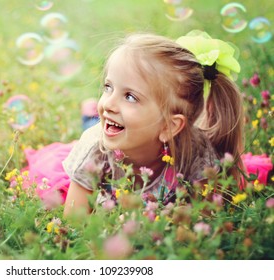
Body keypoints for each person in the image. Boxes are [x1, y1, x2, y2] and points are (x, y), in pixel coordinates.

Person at [62, 31, 245, 217]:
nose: (108, 103)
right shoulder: (93, 151)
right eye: (108, 87)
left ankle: (89, 113)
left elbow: (205, 218)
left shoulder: (196, 153)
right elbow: (73, 223)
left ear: (169, 127)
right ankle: (88, 115)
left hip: (118, 128)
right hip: (107, 132)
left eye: (130, 97)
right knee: (93, 127)